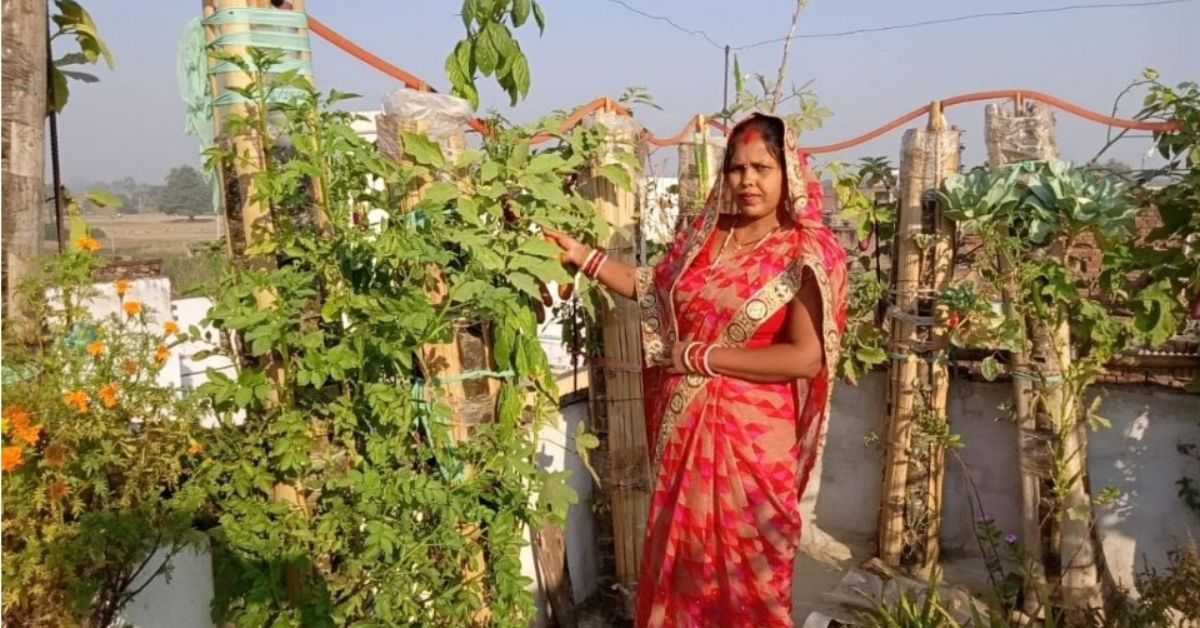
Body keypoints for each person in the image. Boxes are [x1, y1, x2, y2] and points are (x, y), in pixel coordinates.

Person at [545, 112, 848, 627]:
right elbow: (655, 288)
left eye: (762, 167)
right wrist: (585, 258)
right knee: (682, 563)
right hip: (685, 436)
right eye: (736, 168)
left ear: (789, 173)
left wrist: (705, 357)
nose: (747, 180)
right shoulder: (707, 237)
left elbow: (806, 356)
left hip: (752, 446)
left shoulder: (805, 252)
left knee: (751, 574)